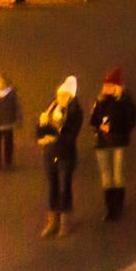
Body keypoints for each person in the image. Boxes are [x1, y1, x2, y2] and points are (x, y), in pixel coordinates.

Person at [36, 77, 83, 237]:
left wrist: (55, 137)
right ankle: (52, 222)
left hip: (66, 155)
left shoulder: (75, 112)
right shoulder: (51, 109)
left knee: (65, 188)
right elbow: (40, 132)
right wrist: (41, 127)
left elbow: (71, 136)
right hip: (49, 154)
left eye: (64, 95)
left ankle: (64, 223)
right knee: (52, 188)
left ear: (71, 97)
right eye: (59, 95)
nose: (60, 98)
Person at [90, 69, 136, 220]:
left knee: (118, 175)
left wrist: (114, 127)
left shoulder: (125, 102)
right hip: (102, 142)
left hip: (118, 142)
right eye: (105, 85)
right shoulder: (100, 100)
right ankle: (110, 208)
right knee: (106, 176)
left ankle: (118, 206)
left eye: (110, 85)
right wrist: (100, 126)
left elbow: (130, 122)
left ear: (117, 87)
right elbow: (93, 120)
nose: (106, 88)